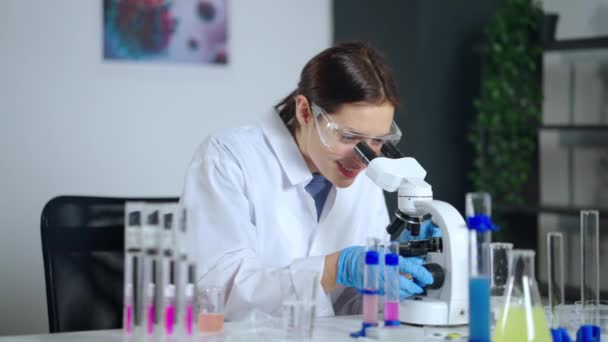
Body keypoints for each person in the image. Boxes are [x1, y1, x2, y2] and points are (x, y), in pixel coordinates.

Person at [181, 42, 440, 320]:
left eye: (376, 141)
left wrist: (396, 275)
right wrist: (333, 269)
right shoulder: (228, 158)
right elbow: (217, 292)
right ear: (305, 112)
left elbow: (350, 307)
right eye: (349, 137)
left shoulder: (365, 172)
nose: (362, 159)